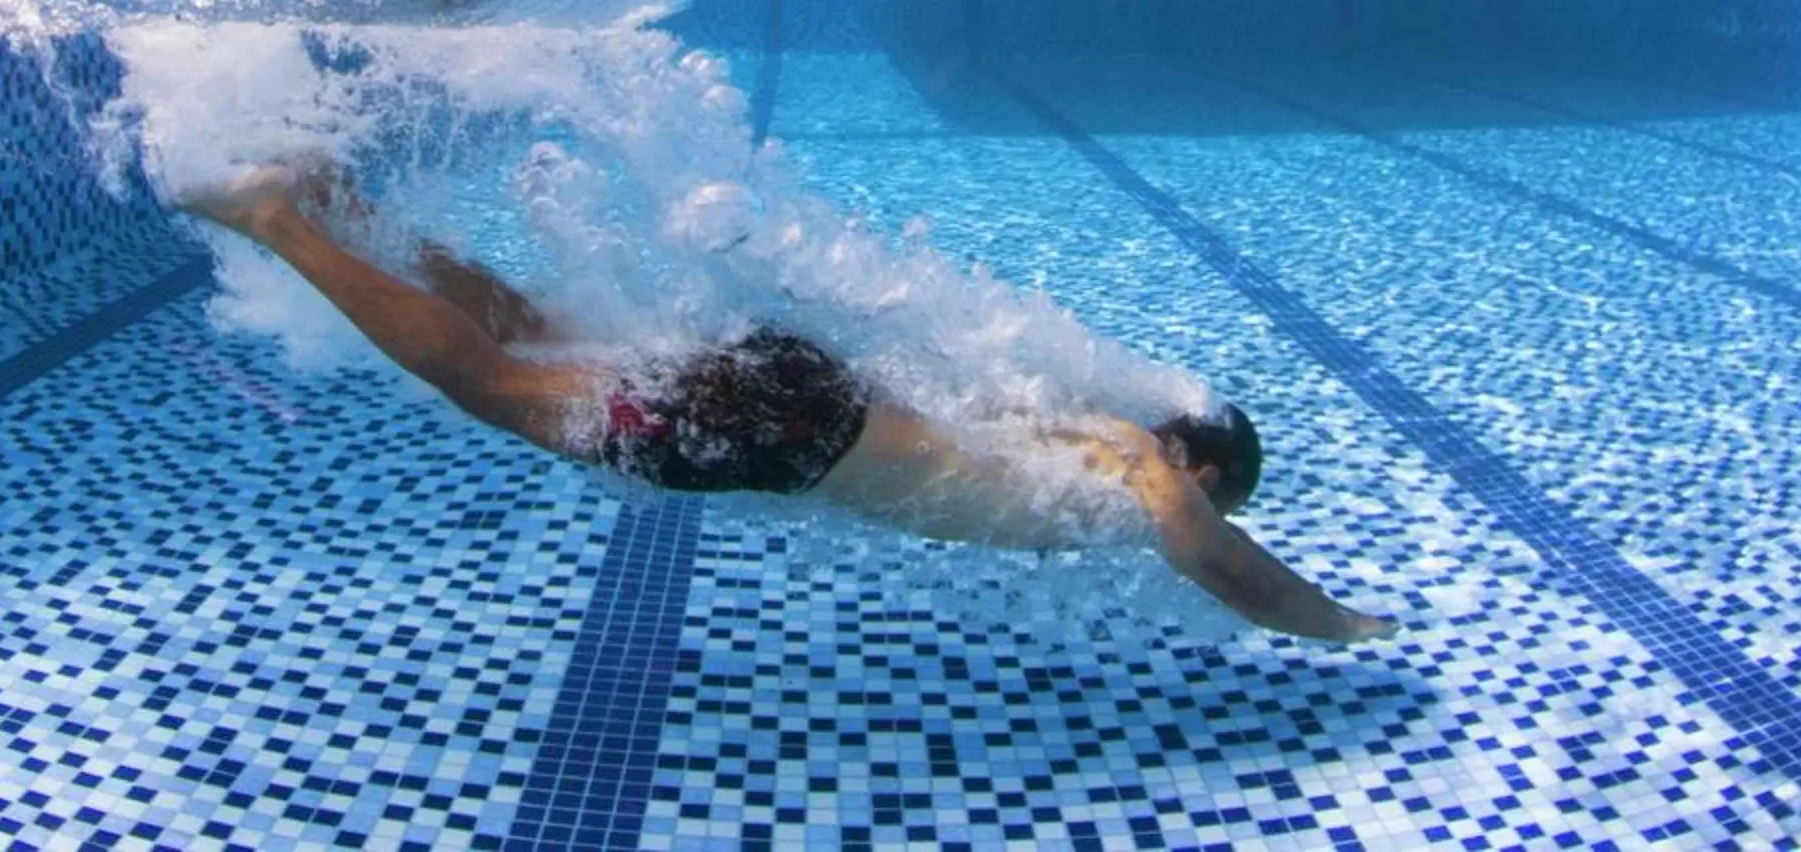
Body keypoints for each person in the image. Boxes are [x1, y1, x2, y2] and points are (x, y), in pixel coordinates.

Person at [183, 167, 1397, 643]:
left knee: (548, 339)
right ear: (1204, 466)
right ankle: (284, 217)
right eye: (1218, 491)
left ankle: (343, 208)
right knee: (494, 383)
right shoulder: (1142, 467)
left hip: (809, 394)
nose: (1202, 507)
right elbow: (1219, 563)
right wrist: (1340, 621)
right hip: (795, 432)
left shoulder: (1084, 435)